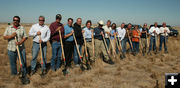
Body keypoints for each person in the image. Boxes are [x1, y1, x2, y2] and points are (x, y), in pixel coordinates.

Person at [3, 16, 30, 84]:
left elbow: (25, 37)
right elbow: (4, 37)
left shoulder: (22, 28)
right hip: (11, 49)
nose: (15, 21)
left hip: (21, 49)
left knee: (23, 62)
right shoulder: (9, 28)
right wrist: (11, 36)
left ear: (19, 21)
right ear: (13, 21)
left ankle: (24, 74)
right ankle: (14, 75)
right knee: (13, 63)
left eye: (17, 20)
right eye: (14, 20)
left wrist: (20, 42)